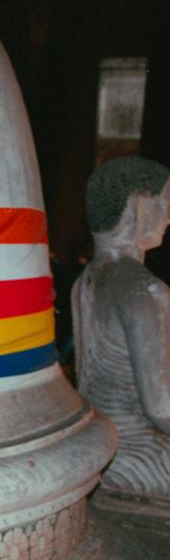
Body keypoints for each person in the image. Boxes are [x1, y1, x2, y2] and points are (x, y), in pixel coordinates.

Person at [73, 156, 170, 501]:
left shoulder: (86, 280)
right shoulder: (145, 290)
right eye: (165, 204)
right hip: (142, 455)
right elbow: (161, 408)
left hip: (99, 449)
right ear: (139, 206)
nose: (168, 218)